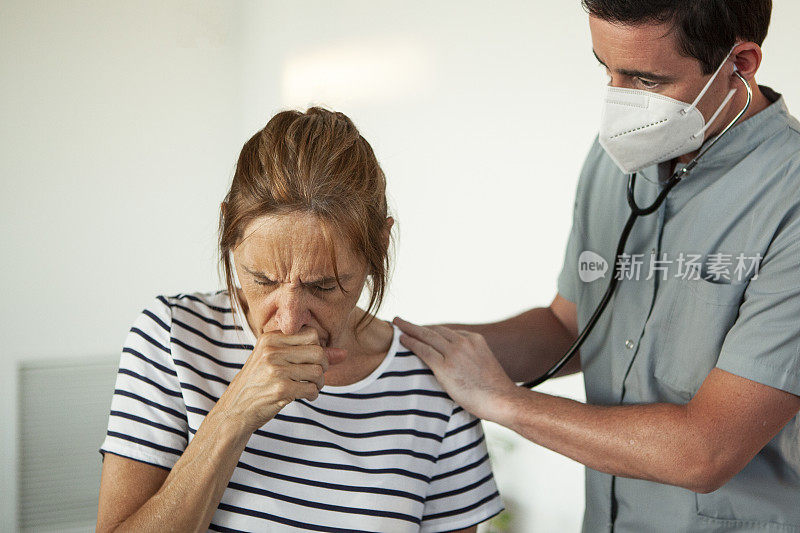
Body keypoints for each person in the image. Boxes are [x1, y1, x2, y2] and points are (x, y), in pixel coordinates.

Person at [394, 1, 800, 532]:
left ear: (741, 64)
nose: (618, 100)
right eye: (605, 69)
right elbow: (571, 328)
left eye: (645, 79)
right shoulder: (622, 153)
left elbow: (706, 451)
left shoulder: (789, 198)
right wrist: (394, 348)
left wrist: (504, 402)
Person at [96, 107, 504, 532]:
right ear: (228, 232)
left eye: (324, 286)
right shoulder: (173, 338)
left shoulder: (434, 387)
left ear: (379, 245)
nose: (288, 323)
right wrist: (233, 415)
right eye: (262, 279)